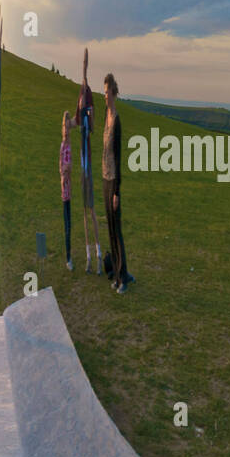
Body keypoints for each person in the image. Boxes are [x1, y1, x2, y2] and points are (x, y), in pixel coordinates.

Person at [76, 49, 103, 274]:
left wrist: (89, 118)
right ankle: (87, 255)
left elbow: (92, 125)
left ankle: (99, 253)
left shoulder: (90, 95)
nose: (83, 67)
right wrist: (68, 123)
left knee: (91, 209)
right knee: (84, 209)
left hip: (88, 161)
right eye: (82, 63)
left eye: (86, 64)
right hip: (81, 160)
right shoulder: (80, 95)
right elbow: (77, 120)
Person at [102, 73, 129, 294]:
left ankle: (123, 280)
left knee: (116, 230)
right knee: (110, 228)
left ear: (113, 93)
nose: (104, 96)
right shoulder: (106, 115)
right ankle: (119, 274)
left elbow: (118, 157)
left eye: (106, 92)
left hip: (113, 182)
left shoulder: (116, 120)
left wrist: (116, 192)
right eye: (103, 93)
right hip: (104, 178)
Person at [60, 111, 73, 271]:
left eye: (67, 127)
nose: (65, 129)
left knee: (69, 223)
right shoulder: (63, 146)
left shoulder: (69, 145)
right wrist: (63, 172)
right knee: (66, 224)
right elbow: (61, 166)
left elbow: (69, 166)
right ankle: (68, 257)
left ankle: (69, 257)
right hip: (64, 190)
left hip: (69, 189)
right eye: (64, 126)